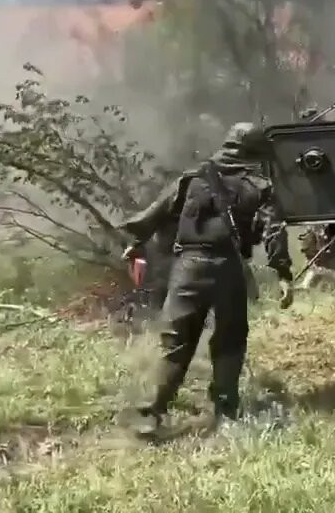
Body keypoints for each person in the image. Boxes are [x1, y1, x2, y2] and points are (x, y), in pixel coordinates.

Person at [117, 122, 294, 437]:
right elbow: (274, 231)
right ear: (254, 152)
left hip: (188, 267)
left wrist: (135, 241)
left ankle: (152, 412)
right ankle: (225, 412)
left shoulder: (192, 179)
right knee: (229, 341)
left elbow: (156, 212)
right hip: (228, 267)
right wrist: (283, 273)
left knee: (175, 342)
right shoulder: (259, 186)